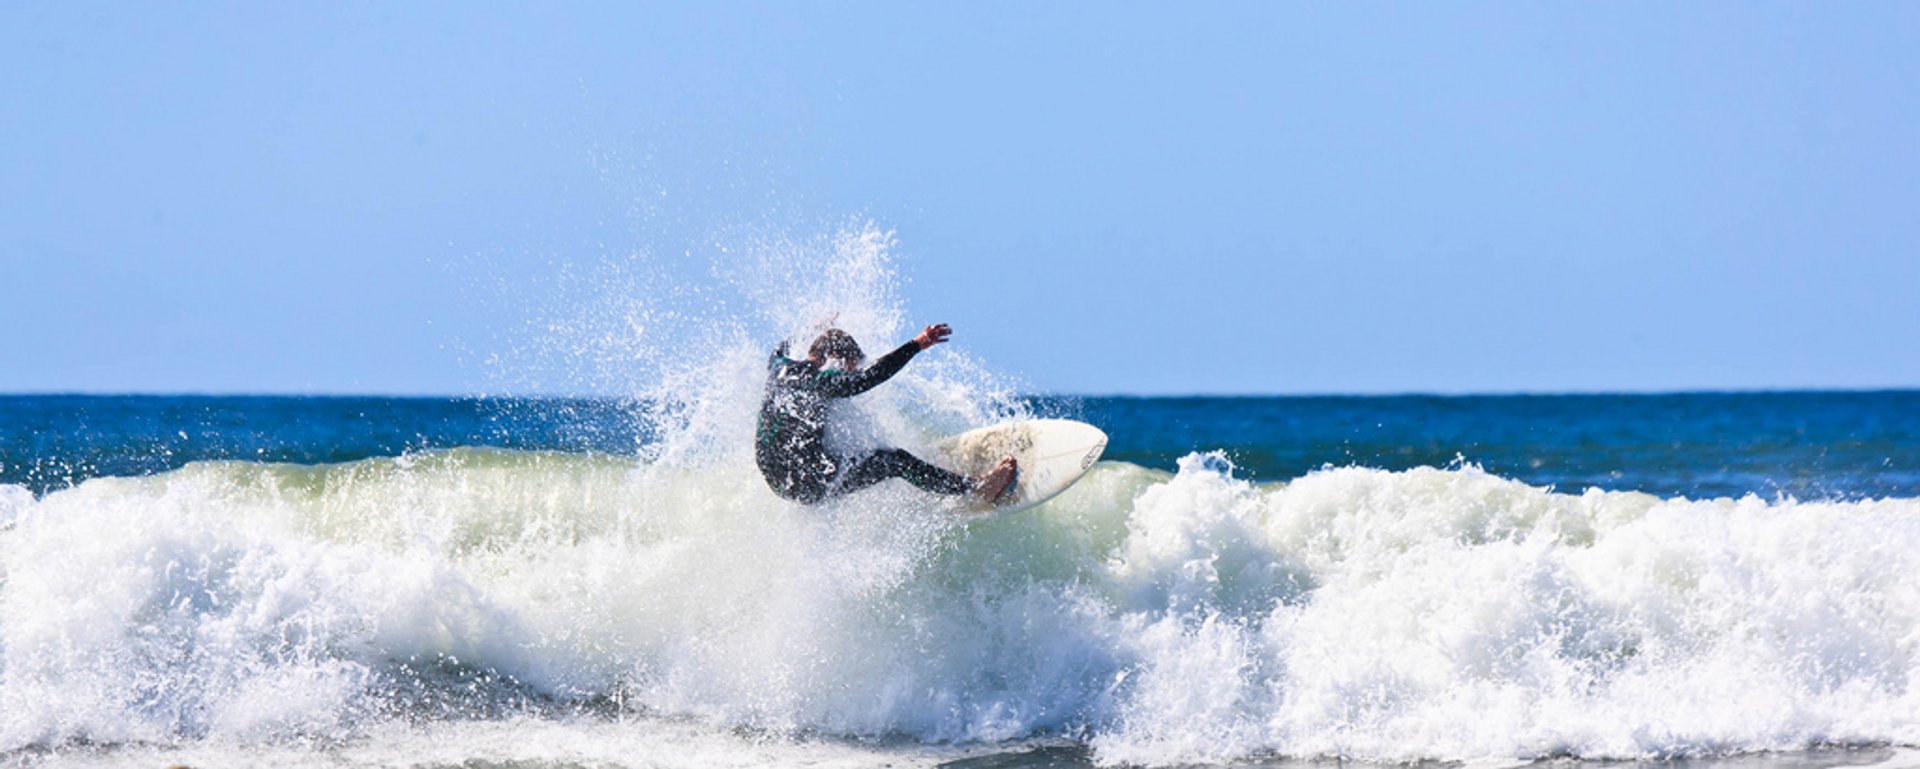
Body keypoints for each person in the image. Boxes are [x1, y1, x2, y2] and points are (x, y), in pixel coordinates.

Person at [755, 322, 1017, 504]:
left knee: (846, 456)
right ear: (834, 357)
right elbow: (872, 376)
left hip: (774, 479)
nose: (851, 374)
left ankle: (930, 484)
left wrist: (813, 327)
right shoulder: (822, 381)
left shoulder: (779, 368)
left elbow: (778, 350)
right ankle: (976, 490)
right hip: (805, 485)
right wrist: (917, 344)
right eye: (850, 367)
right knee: (896, 462)